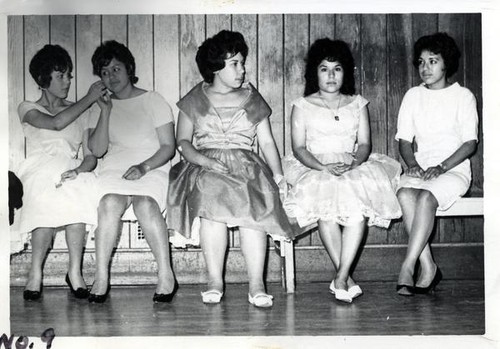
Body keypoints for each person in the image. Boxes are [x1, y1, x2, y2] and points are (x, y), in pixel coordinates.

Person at [167, 30, 293, 308]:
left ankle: (257, 283)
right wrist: (205, 161)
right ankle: (215, 280)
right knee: (211, 205)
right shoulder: (193, 99)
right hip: (205, 165)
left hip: (246, 167)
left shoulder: (251, 98)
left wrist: (279, 175)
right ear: (215, 67)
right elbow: (183, 143)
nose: (242, 69)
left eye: (242, 62)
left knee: (254, 210)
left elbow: (268, 142)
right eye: (235, 63)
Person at [282, 38, 402, 303]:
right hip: (315, 166)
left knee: (357, 215)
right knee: (326, 214)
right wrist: (322, 167)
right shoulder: (302, 106)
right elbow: (299, 147)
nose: (331, 75)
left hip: (352, 164)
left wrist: (354, 163)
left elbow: (365, 144)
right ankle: (346, 278)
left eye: (337, 68)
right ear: (315, 72)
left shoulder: (357, 103)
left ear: (345, 72)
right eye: (324, 68)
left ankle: (341, 276)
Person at [88, 40, 177, 303]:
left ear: (129, 68)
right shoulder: (102, 105)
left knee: (145, 205)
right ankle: (101, 276)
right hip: (115, 168)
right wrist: (105, 113)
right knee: (108, 202)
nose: (111, 76)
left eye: (116, 69)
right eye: (105, 72)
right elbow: (97, 149)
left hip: (152, 166)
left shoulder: (153, 100)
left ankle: (166, 275)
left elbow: (168, 147)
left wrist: (144, 167)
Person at [17, 44, 106, 300]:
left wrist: (78, 170)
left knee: (76, 189)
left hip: (69, 167)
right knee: (44, 190)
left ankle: (75, 272)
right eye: (61, 75)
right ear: (44, 79)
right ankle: (35, 273)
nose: (68, 81)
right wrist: (88, 99)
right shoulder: (27, 107)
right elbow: (55, 124)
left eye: (69, 74)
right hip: (38, 168)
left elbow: (91, 157)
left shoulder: (82, 112)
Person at [395, 32, 478, 296]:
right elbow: (405, 141)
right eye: (421, 62)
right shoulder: (413, 95)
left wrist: (441, 167)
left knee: (427, 198)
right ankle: (428, 265)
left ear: (446, 64)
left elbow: (469, 144)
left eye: (432, 61)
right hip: (422, 167)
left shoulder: (463, 96)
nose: (425, 68)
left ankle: (408, 266)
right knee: (405, 192)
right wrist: (413, 164)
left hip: (452, 170)